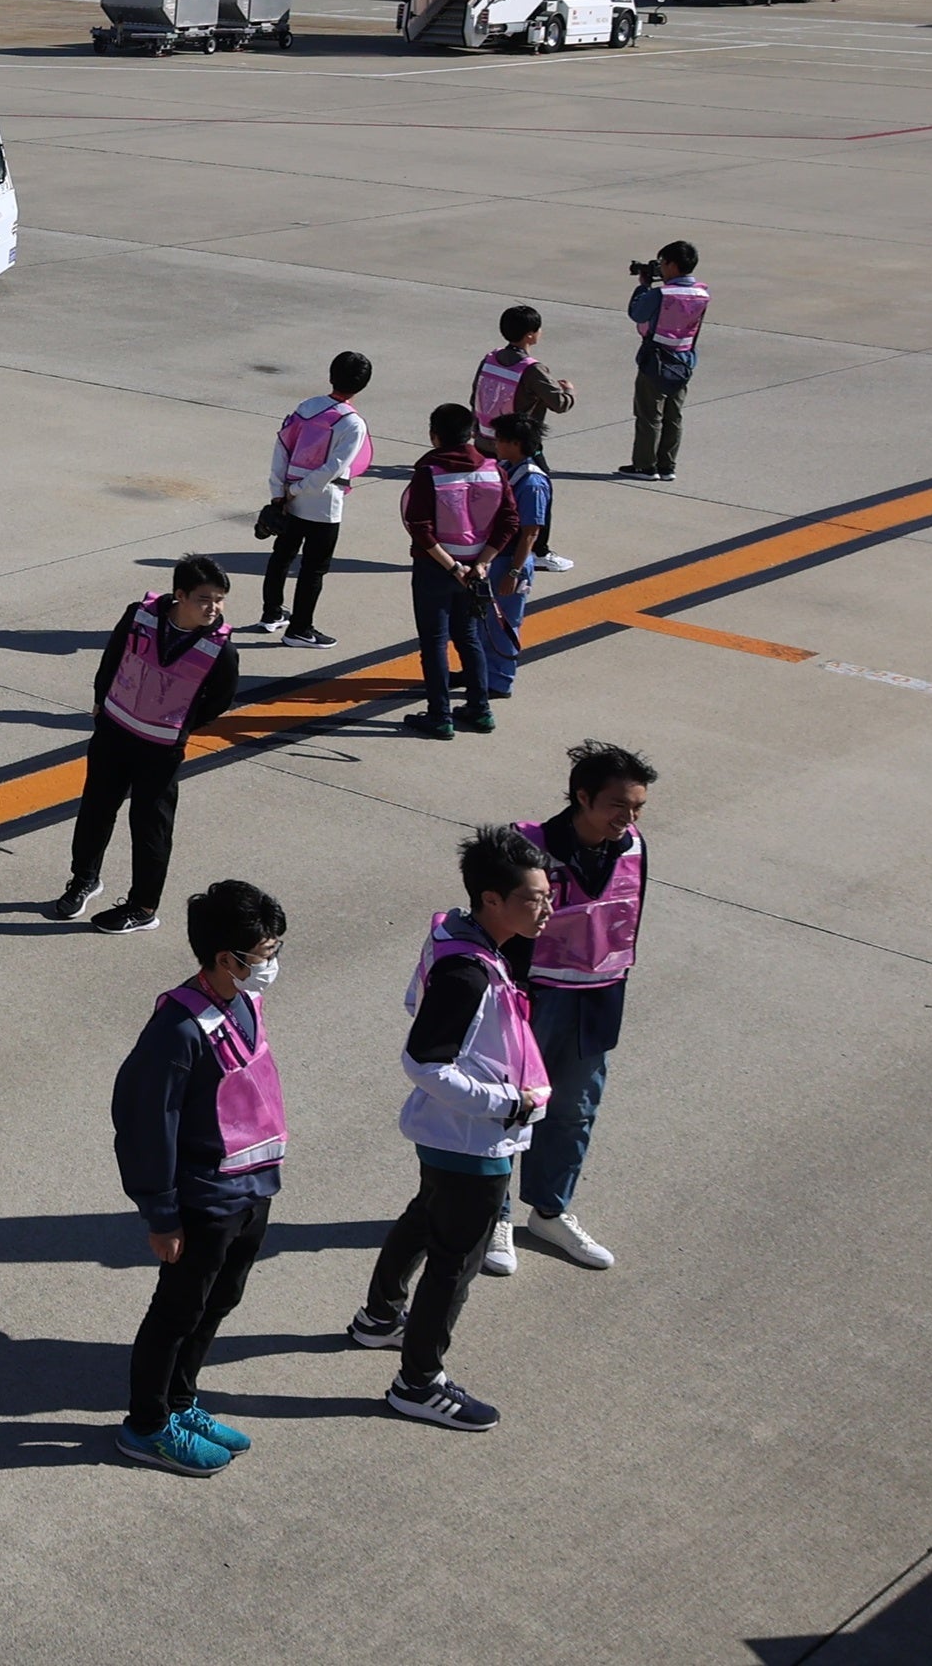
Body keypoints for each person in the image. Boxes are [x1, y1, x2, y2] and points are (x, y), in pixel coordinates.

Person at [347, 826, 551, 1432]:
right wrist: (505, 1102)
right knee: (454, 1263)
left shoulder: (453, 936)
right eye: (534, 898)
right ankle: (418, 1383)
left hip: (447, 1136)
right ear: (492, 899)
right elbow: (424, 1061)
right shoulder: (470, 973)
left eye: (548, 895)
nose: (547, 909)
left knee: (424, 1217)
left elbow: (416, 1001)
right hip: (472, 1140)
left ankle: (379, 1318)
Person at [106, 880, 290, 1476]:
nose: (271, 963)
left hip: (251, 1188)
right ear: (224, 958)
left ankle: (182, 1402)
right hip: (204, 1199)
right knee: (177, 1312)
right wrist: (162, 1215)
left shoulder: (244, 1003)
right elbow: (145, 1126)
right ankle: (147, 1425)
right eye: (263, 953)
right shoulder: (177, 1030)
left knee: (219, 1301)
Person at [514, 744, 655, 1272]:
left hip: (597, 998)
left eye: (638, 807)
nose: (629, 818)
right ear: (582, 796)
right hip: (532, 995)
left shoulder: (634, 846)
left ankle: (549, 1211)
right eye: (619, 805)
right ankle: (493, 1216)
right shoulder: (527, 846)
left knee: (575, 1111)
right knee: (510, 1107)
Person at [48, 556, 245, 933]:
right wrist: (101, 699)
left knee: (150, 827)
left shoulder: (221, 650)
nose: (213, 608)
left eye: (219, 600)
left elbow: (220, 699)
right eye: (204, 599)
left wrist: (182, 723)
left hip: (161, 748)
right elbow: (112, 656)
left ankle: (142, 906)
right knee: (95, 810)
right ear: (180, 595)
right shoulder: (140, 616)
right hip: (114, 730)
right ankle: (84, 879)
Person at [398, 405, 520, 739]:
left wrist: (452, 566)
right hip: (476, 568)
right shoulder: (494, 470)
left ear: (434, 435)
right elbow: (510, 521)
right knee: (468, 637)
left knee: (434, 642)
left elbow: (419, 527)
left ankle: (439, 715)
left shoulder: (429, 472)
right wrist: (482, 562)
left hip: (436, 568)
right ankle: (480, 709)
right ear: (472, 434)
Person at [258, 353, 374, 649]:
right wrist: (299, 489)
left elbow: (282, 446)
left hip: (288, 497)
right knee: (313, 569)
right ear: (363, 385)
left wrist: (279, 490)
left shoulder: (306, 407)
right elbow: (334, 467)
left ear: (331, 375)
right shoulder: (353, 423)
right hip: (323, 505)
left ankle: (272, 613)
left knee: (282, 555)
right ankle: (300, 629)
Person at [471, 307, 576, 572]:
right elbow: (559, 404)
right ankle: (540, 551)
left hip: (484, 440)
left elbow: (475, 395)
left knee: (488, 496)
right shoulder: (532, 369)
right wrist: (568, 391)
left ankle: (480, 546)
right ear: (530, 335)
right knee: (539, 492)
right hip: (518, 447)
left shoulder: (490, 359)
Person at [477, 416, 556, 702]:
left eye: (500, 439)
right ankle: (480, 671)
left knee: (504, 624)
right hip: (496, 557)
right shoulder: (508, 468)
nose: (495, 444)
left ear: (516, 443)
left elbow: (530, 533)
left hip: (511, 561)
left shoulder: (532, 481)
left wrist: (513, 572)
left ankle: (500, 681)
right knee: (483, 622)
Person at [622, 242, 707, 483]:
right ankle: (667, 465)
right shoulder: (702, 293)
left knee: (649, 415)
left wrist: (643, 287)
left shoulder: (661, 294)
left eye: (662, 263)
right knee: (673, 415)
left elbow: (637, 314)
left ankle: (645, 466)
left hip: (656, 360)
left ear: (672, 265)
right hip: (684, 359)